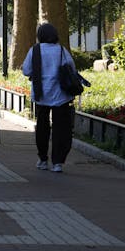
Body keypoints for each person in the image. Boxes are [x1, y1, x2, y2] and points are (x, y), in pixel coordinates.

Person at [22, 22, 77, 173]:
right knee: (60, 128)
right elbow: (71, 68)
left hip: (41, 94)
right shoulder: (61, 50)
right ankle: (58, 162)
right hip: (61, 95)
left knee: (42, 127)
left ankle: (43, 159)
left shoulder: (35, 50)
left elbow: (26, 70)